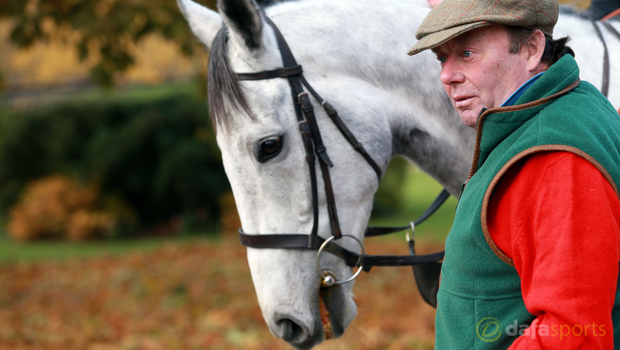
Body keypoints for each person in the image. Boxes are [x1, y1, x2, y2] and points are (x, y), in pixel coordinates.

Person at [408, 0, 620, 349]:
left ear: (533, 48)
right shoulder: (569, 102)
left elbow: (572, 335)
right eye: (442, 57)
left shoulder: (555, 160)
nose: (447, 75)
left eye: (467, 52)